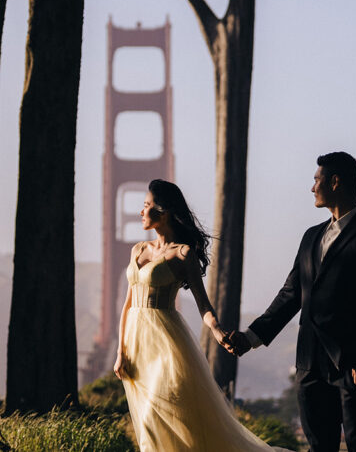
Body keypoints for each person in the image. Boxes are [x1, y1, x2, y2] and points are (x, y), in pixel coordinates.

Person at [227, 152, 356, 452]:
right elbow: (291, 294)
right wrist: (251, 337)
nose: (312, 188)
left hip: (355, 365)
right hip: (310, 364)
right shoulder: (310, 237)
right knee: (319, 446)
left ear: (335, 182)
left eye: (316, 180)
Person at [114, 179, 292, 452]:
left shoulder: (183, 254)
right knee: (147, 420)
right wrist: (120, 352)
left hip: (165, 344)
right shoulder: (138, 250)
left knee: (153, 415)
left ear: (164, 211)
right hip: (136, 345)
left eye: (147, 205)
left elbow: (203, 305)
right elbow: (127, 305)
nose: (141, 211)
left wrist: (218, 331)